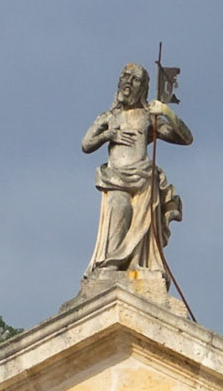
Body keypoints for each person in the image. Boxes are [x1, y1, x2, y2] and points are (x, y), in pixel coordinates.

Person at [79, 63, 192, 289]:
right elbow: (86, 144)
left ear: (144, 88)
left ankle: (138, 264)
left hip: (143, 180)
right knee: (119, 208)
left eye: (136, 79)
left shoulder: (148, 117)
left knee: (142, 221)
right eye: (125, 76)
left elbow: (186, 138)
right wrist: (107, 135)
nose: (129, 82)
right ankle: (111, 264)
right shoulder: (109, 116)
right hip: (115, 179)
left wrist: (166, 112)